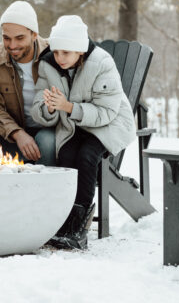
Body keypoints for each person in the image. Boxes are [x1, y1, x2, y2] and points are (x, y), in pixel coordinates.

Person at [31, 15, 136, 250]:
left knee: (87, 156)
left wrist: (68, 107)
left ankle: (79, 229)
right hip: (75, 124)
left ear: (80, 50)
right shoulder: (49, 64)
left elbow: (107, 111)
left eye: (66, 53)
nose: (60, 58)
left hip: (109, 124)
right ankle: (65, 221)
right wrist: (47, 106)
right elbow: (40, 102)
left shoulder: (102, 63)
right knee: (67, 156)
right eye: (56, 52)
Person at [0, 1, 56, 166]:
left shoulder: (55, 54)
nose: (12, 46)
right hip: (10, 133)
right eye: (6, 38)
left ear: (34, 35)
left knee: (46, 141)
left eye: (19, 38)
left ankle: (44, 190)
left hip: (48, 130)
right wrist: (17, 133)